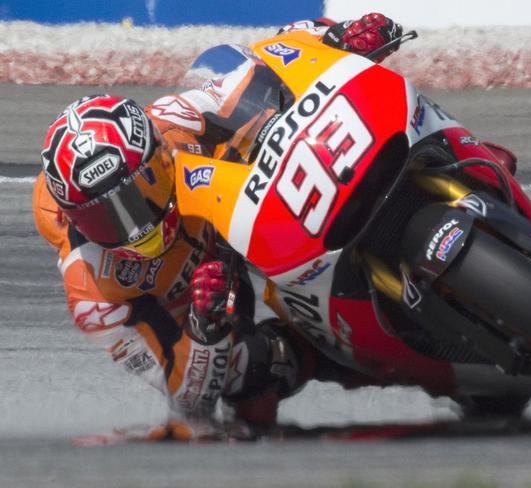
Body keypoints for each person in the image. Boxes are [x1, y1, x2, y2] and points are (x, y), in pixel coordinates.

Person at [32, 13, 407, 441]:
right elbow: (186, 396)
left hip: (254, 201)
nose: (129, 228)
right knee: (247, 386)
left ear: (154, 157)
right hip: (207, 299)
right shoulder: (92, 293)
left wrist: (335, 38)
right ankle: (372, 359)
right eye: (99, 217)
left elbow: (264, 62)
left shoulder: (170, 123)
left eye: (133, 198)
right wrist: (204, 326)